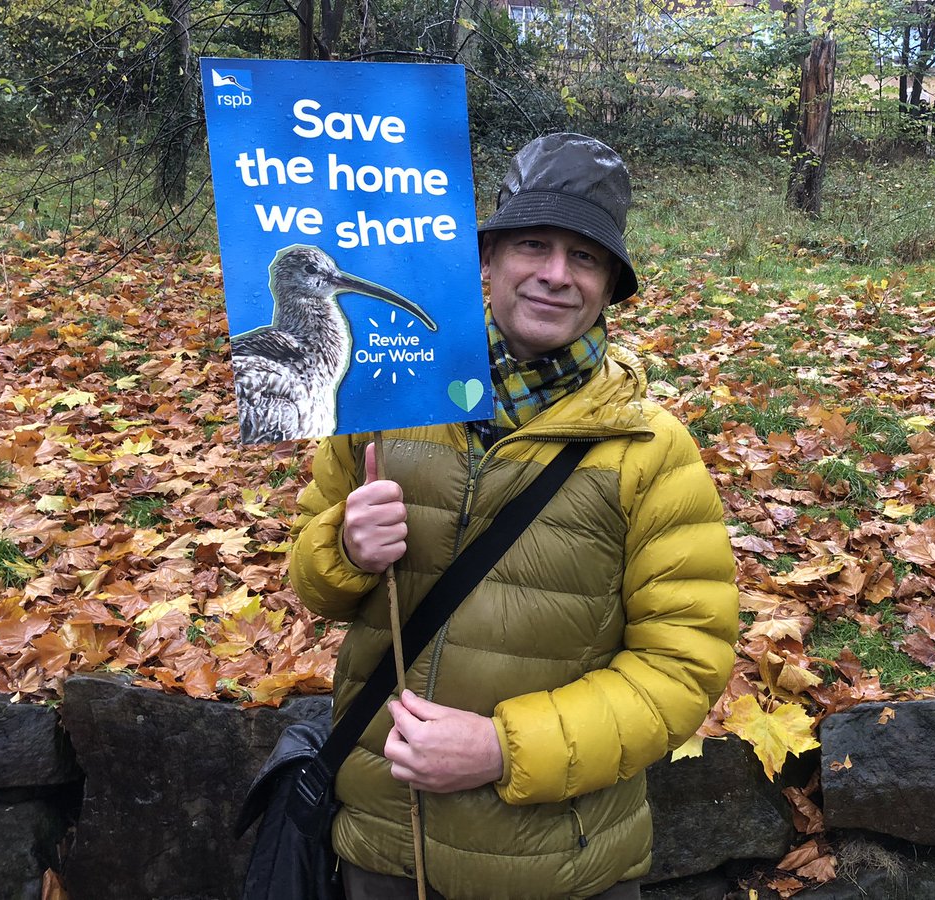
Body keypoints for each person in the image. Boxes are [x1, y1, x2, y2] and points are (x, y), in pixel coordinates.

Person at [288, 132, 739, 900]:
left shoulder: (650, 450)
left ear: (608, 286)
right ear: (487, 261)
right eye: (534, 245)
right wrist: (342, 549)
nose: (557, 275)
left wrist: (503, 748)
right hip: (385, 850)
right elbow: (315, 589)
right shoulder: (385, 402)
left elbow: (684, 665)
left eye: (586, 257)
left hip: (562, 870)